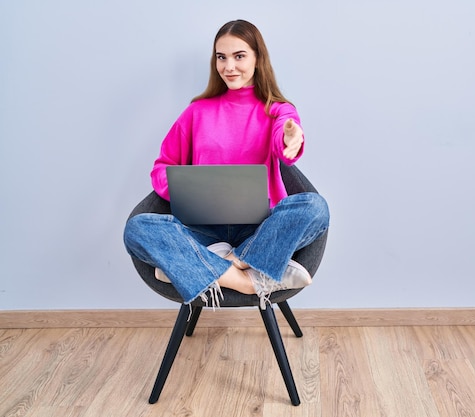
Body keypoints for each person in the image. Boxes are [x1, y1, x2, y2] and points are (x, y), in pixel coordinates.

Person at [124, 19, 329, 309]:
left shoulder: (278, 111)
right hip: (203, 229)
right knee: (138, 229)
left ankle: (214, 262)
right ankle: (247, 280)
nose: (229, 67)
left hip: (260, 230)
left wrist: (291, 136)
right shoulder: (197, 112)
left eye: (239, 56)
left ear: (258, 59)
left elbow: (285, 141)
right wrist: (189, 191)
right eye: (222, 57)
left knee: (316, 208)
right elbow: (162, 168)